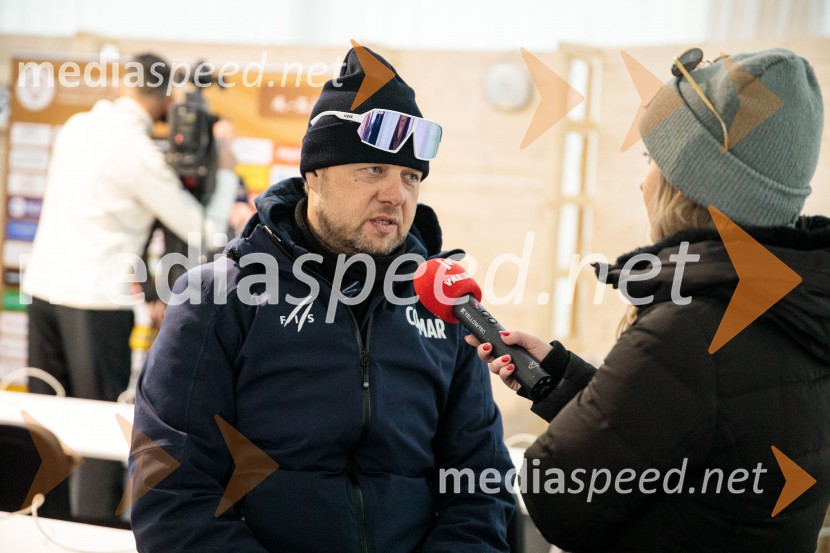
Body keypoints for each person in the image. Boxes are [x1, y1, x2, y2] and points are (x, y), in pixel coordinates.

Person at [130, 47, 514, 552]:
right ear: (314, 176)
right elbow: (172, 496)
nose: (397, 195)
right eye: (373, 170)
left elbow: (481, 488)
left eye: (410, 177)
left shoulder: (442, 305)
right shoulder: (218, 300)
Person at [468, 48, 830, 552]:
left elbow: (559, 495)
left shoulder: (691, 330)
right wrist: (561, 379)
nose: (642, 181)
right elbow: (683, 442)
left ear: (687, 186)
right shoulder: (797, 310)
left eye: (650, 160)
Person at [22, 52, 238, 524]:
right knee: (100, 425)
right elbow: (202, 228)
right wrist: (223, 167)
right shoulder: (136, 153)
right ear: (163, 98)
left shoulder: (78, 127)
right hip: (95, 303)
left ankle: (39, 529)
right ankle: (93, 529)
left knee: (44, 423)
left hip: (42, 292)